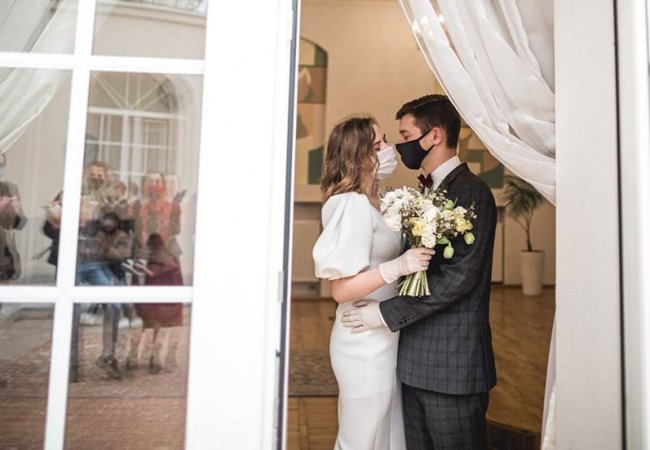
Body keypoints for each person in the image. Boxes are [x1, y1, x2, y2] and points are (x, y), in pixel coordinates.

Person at [341, 95, 498, 450]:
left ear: (435, 136)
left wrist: (384, 313)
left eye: (405, 135)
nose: (400, 146)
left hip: (452, 366)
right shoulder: (424, 192)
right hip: (413, 361)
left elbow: (457, 278)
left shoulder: (471, 193)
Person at [312, 115, 434, 450]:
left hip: (385, 333)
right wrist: (397, 267)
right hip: (361, 340)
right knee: (360, 438)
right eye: (379, 145)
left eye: (386, 141)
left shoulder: (377, 200)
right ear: (358, 156)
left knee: (384, 433)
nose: (389, 150)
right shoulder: (349, 203)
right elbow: (341, 290)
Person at [127, 172, 184, 374]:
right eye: (150, 181)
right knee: (140, 309)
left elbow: (176, 230)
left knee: (165, 309)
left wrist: (169, 213)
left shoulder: (171, 205)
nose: (154, 184)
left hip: (167, 261)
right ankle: (133, 351)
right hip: (143, 259)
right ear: (144, 183)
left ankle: (157, 353)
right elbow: (132, 230)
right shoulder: (136, 205)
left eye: (158, 181)